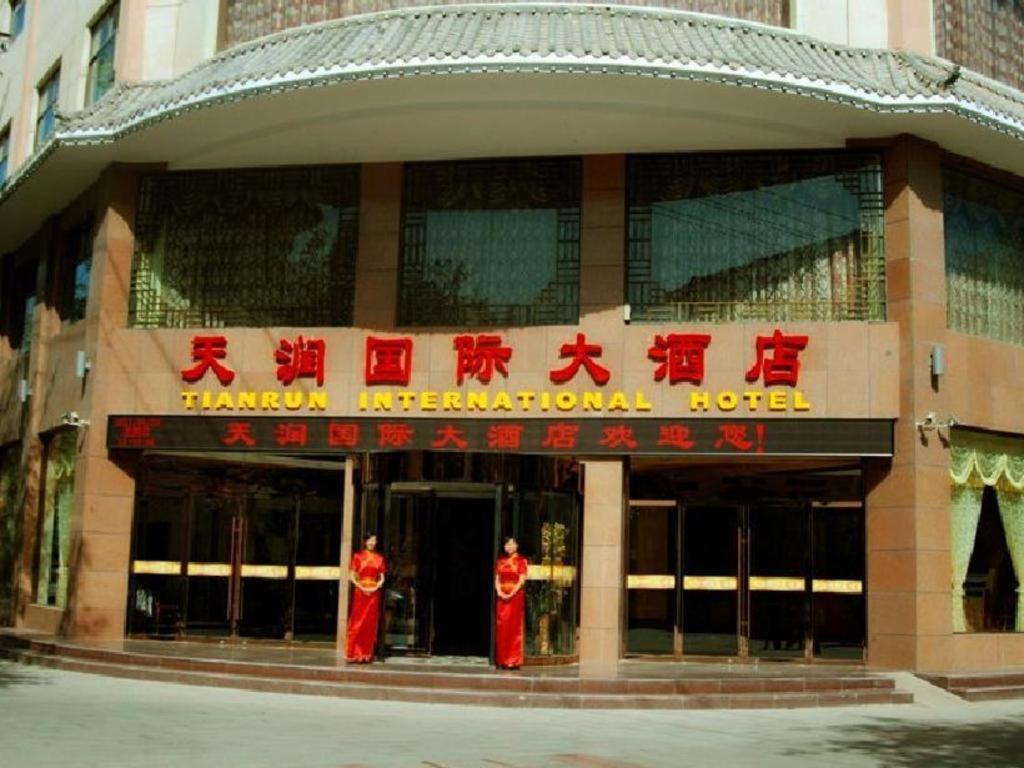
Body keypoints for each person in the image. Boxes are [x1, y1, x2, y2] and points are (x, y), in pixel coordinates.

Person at [346, 533, 386, 662]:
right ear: (365, 542)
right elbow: (352, 575)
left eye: (374, 540)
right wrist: (361, 586)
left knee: (370, 623)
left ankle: (366, 654)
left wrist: (377, 586)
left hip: (374, 592)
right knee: (358, 622)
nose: (372, 543)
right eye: (370, 540)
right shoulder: (358, 557)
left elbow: (382, 577)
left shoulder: (380, 558)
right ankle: (353, 653)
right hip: (360, 592)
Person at [494, 536, 529, 670]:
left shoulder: (521, 561)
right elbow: (497, 579)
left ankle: (513, 660)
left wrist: (511, 593)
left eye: (512, 544)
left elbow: (522, 580)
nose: (509, 546)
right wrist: (499, 592)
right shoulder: (500, 561)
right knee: (502, 627)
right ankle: (502, 659)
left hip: (515, 597)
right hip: (502, 598)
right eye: (507, 544)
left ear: (517, 546)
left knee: (514, 629)